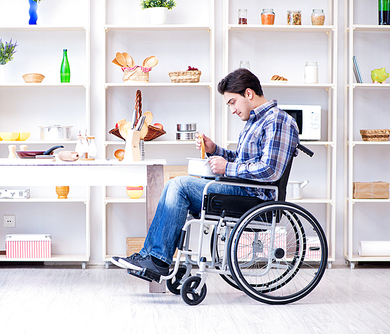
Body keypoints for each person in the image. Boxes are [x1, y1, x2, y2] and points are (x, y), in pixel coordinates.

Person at [111, 68, 299, 279]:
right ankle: (152, 257)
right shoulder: (255, 121)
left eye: (232, 102)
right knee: (175, 185)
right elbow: (242, 159)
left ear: (248, 94)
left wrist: (227, 168)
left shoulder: (277, 120)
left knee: (179, 185)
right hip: (241, 191)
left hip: (253, 199)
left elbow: (269, 170)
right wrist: (215, 150)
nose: (232, 110)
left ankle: (157, 260)